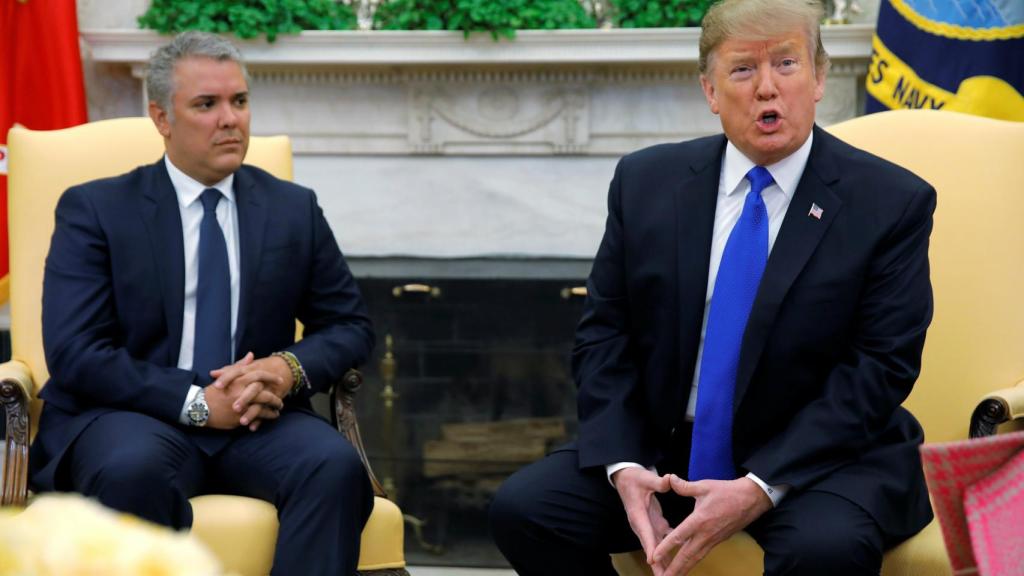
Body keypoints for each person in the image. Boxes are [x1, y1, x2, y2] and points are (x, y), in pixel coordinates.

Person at [489, 0, 935, 574]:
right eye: (743, 70)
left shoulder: (890, 202)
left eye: (787, 64)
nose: (767, 88)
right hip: (670, 450)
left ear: (820, 77)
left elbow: (880, 367)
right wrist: (624, 466)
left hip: (819, 460)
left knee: (822, 551)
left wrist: (758, 484)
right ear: (710, 90)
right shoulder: (646, 182)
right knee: (525, 509)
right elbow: (605, 335)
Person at [29, 31, 374, 576]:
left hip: (259, 417)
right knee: (129, 472)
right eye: (206, 105)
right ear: (162, 118)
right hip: (132, 415)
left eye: (239, 101)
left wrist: (284, 371)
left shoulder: (292, 208)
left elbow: (350, 326)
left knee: (333, 467)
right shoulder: (97, 209)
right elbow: (75, 352)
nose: (230, 119)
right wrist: (194, 401)